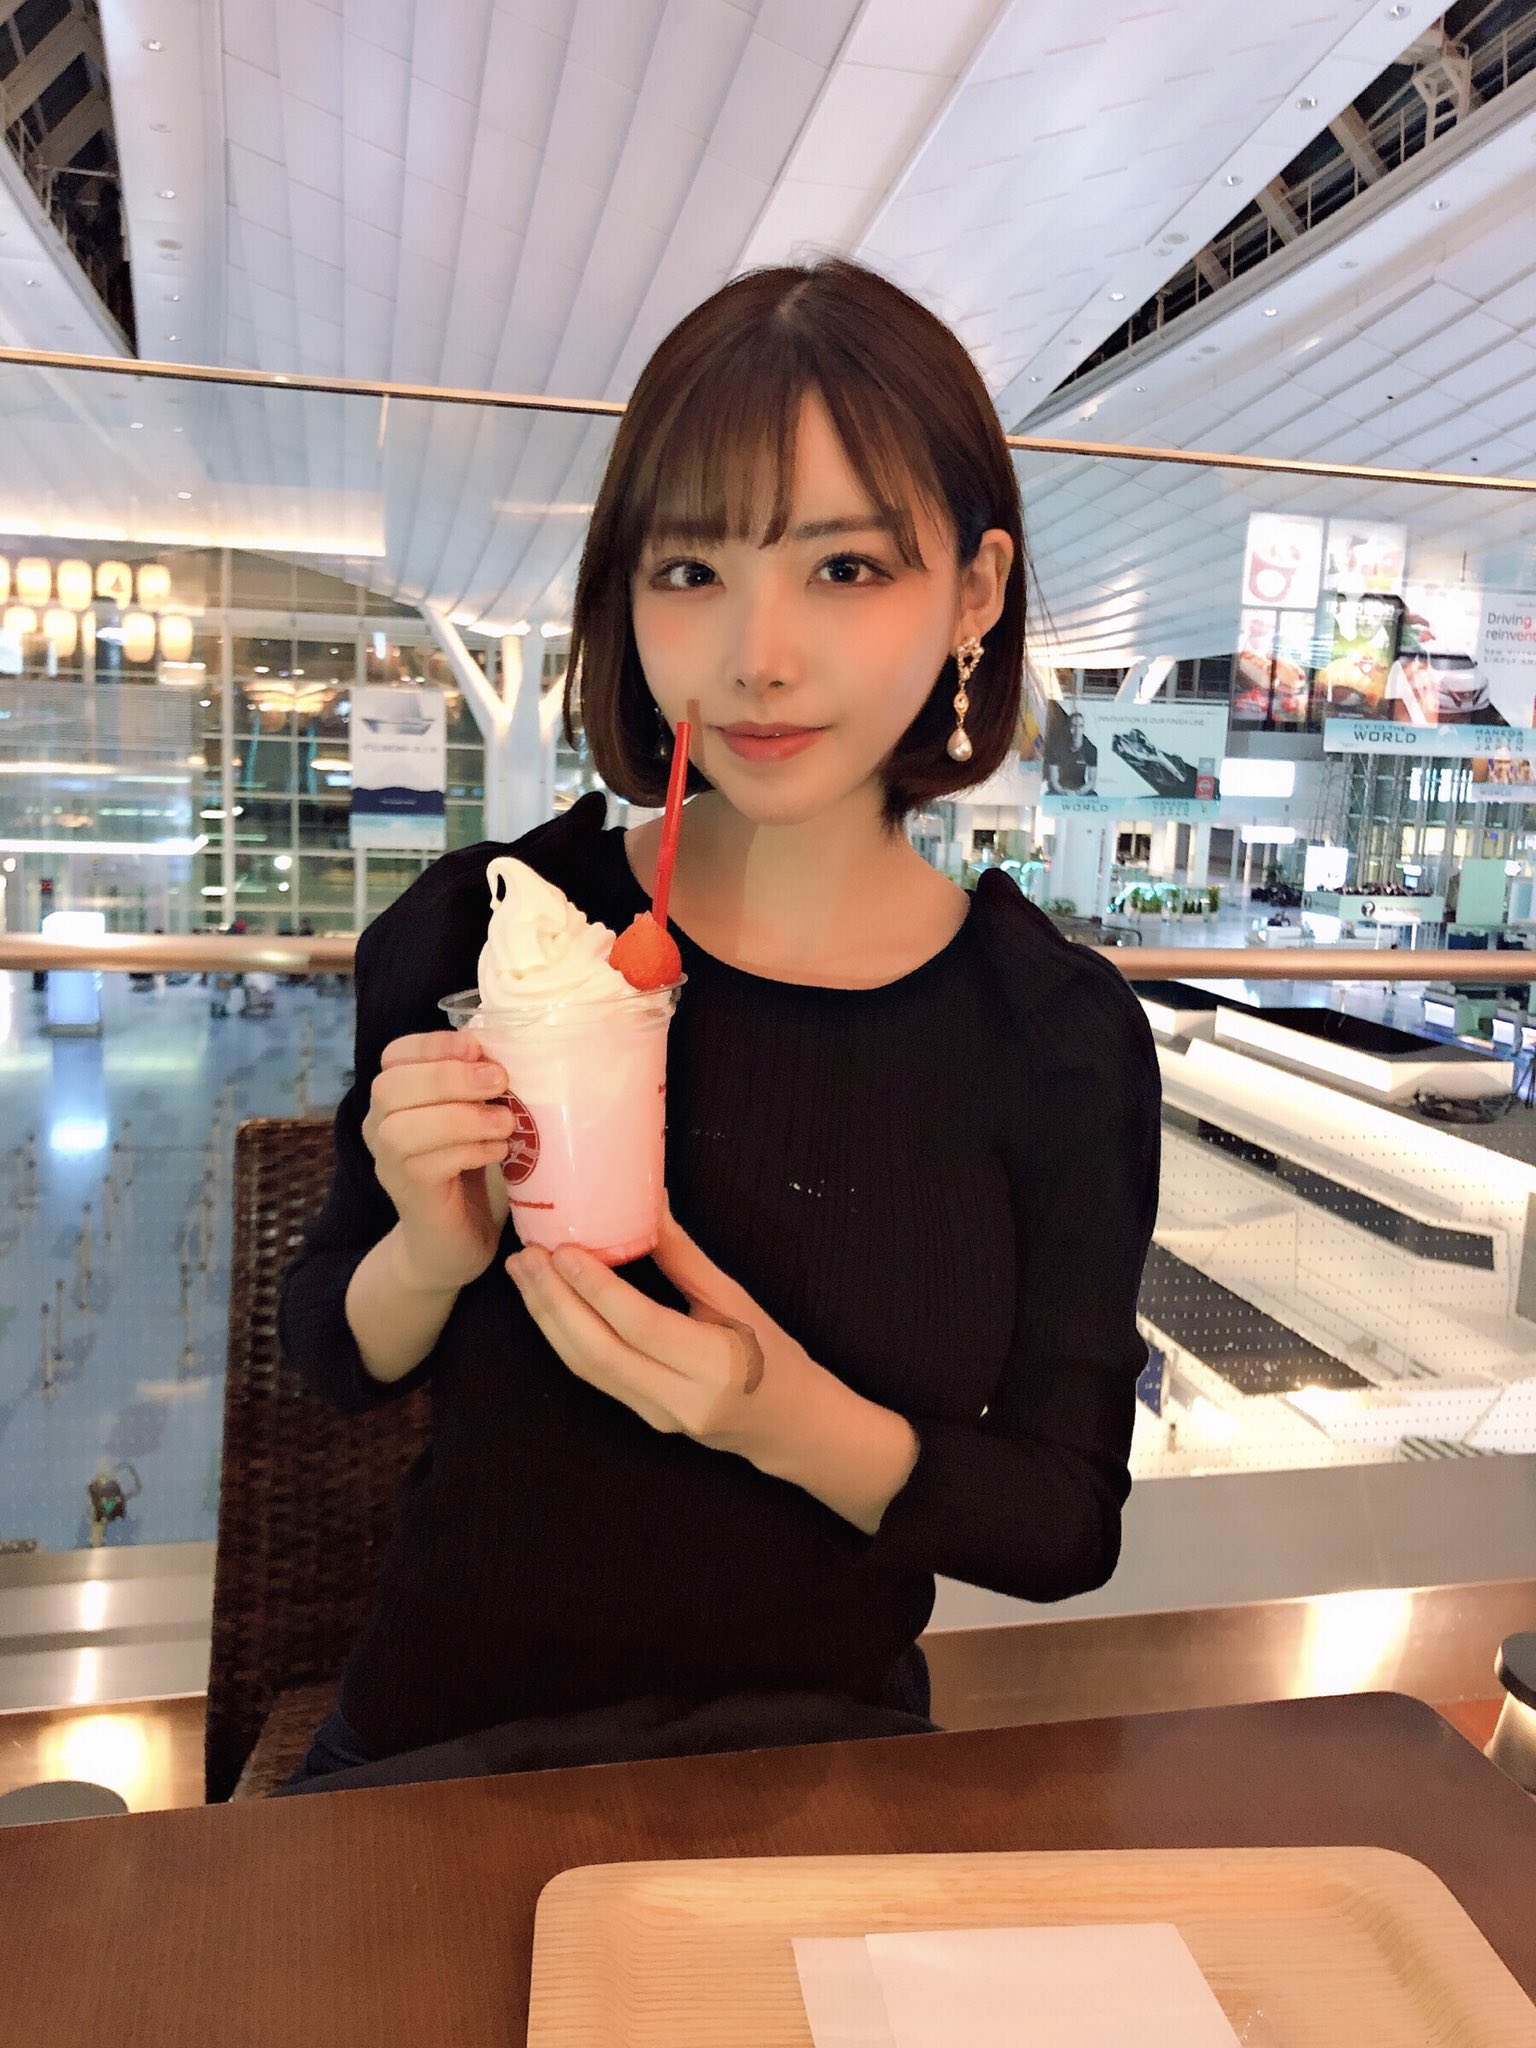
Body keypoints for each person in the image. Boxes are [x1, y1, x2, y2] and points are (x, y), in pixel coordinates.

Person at [277, 258, 1162, 1793]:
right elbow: (333, 1354)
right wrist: (428, 1247)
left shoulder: (1055, 1039)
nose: (757, 653)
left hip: (823, 1769)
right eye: (690, 569)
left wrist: (782, 1420)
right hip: (449, 1755)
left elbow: (1062, 1520)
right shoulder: (499, 926)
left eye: (845, 568)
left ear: (975, 591)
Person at [1044, 709, 1098, 795]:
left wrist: (1078, 793)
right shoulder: (1055, 748)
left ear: (1083, 728)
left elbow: (1091, 782)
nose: (1077, 731)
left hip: (1080, 790)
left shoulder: (1091, 749)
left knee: (1093, 795)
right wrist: (1064, 792)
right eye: (1074, 726)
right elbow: (1053, 781)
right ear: (1068, 728)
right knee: (1049, 795)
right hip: (1059, 790)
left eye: (1080, 726)